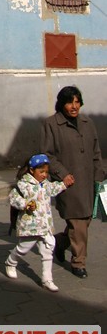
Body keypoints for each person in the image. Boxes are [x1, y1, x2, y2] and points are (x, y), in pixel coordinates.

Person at [40, 85, 105, 278]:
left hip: (88, 181)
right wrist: (62, 174)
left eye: (77, 102)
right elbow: (47, 154)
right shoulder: (51, 124)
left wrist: (99, 175)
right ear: (61, 104)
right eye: (70, 102)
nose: (74, 106)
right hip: (68, 183)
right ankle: (78, 263)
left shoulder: (88, 123)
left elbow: (96, 152)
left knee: (83, 222)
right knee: (78, 223)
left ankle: (59, 243)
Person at [5, 153, 73, 292]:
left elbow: (53, 189)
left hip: (45, 225)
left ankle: (47, 279)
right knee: (23, 248)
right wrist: (25, 204)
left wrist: (64, 184)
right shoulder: (23, 184)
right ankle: (11, 262)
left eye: (46, 172)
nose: (44, 174)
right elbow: (13, 198)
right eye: (41, 171)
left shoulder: (45, 184)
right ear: (32, 170)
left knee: (48, 249)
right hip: (30, 226)